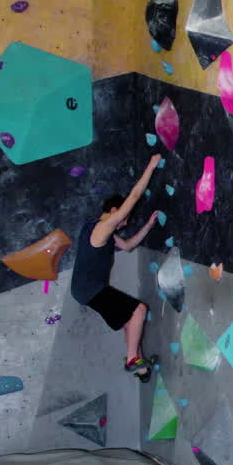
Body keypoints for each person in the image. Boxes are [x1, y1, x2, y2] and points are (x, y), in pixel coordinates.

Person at [70, 153, 162, 382]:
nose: (124, 224)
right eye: (123, 219)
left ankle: (140, 369)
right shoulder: (102, 228)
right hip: (90, 289)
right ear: (113, 212)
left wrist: (149, 226)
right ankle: (132, 360)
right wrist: (150, 166)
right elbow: (134, 196)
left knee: (130, 319)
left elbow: (129, 245)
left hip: (86, 290)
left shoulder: (98, 230)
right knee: (139, 310)